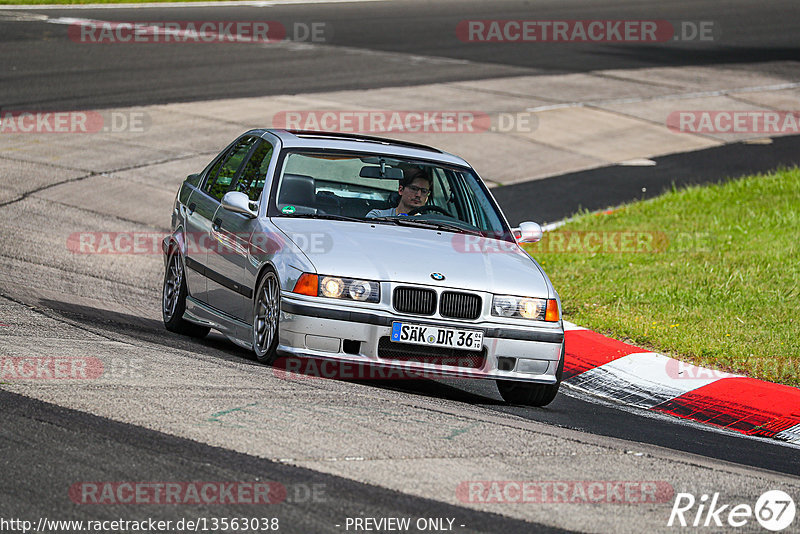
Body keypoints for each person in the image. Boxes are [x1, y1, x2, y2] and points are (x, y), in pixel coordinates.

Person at [366, 168, 433, 218]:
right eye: (414, 189)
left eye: (424, 191)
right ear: (401, 190)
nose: (418, 195)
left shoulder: (429, 224)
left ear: (427, 197)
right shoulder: (377, 216)